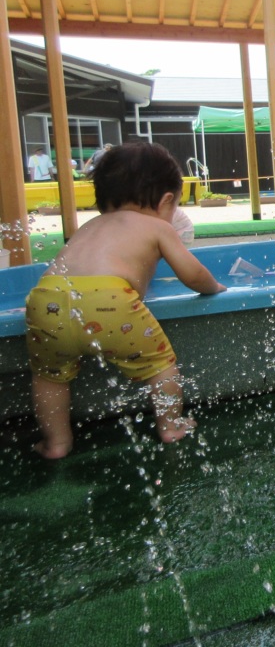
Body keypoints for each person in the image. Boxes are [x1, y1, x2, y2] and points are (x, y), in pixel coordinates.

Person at [24, 142, 227, 459]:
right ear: (167, 200)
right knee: (160, 366)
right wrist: (214, 287)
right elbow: (193, 274)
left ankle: (57, 443)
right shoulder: (157, 226)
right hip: (109, 302)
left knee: (49, 377)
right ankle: (171, 426)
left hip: (46, 299)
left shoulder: (88, 227)